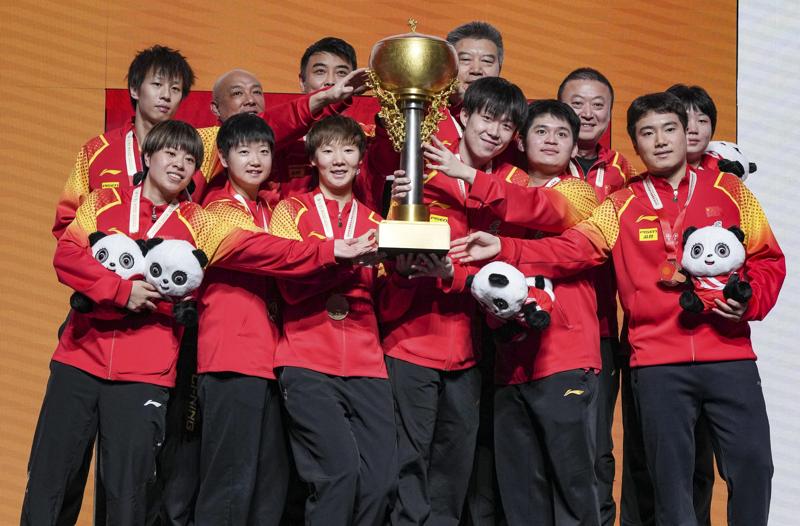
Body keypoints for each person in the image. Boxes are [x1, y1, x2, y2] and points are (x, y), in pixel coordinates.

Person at [450, 92, 785, 526]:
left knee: (754, 467)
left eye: (669, 129)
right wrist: (505, 247)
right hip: (657, 364)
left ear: (686, 134)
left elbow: (768, 259)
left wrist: (750, 300)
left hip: (730, 356)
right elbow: (572, 249)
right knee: (670, 485)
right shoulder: (620, 204)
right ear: (635, 145)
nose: (660, 140)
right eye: (647, 133)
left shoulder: (730, 190)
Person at [23, 120, 375, 525]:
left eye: (189, 159)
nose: (179, 164)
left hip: (145, 372)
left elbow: (266, 249)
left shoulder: (201, 223)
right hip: (78, 359)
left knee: (129, 495)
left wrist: (330, 251)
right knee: (51, 484)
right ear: (147, 156)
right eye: (170, 154)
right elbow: (67, 255)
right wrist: (121, 291)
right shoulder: (103, 201)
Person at [385, 76, 526, 526]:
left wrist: (454, 275)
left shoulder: (510, 187)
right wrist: (393, 206)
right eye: (487, 118)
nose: (494, 132)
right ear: (463, 116)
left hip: (468, 351)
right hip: (410, 343)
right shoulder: (418, 170)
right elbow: (392, 253)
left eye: (506, 125)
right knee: (406, 464)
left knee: (453, 468)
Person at [471, 99, 602, 526]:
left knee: (572, 488)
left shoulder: (582, 194)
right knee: (520, 495)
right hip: (509, 366)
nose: (551, 140)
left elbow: (576, 249)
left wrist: (470, 178)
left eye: (562, 134)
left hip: (564, 359)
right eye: (541, 131)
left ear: (575, 147)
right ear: (521, 141)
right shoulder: (499, 199)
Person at [268, 115, 395, 525]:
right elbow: (288, 289)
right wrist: (346, 262)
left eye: (348, 150)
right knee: (337, 475)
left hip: (367, 364)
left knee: (381, 482)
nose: (338, 159)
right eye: (327, 150)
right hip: (306, 361)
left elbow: (386, 304)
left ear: (361, 159)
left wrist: (405, 271)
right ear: (313, 160)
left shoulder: (377, 223)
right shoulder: (290, 211)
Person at [192, 113, 289, 525]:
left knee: (270, 484)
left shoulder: (273, 209)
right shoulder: (216, 210)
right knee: (230, 482)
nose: (255, 160)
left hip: (275, 359)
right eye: (244, 151)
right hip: (231, 356)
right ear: (223, 157)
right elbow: (272, 254)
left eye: (264, 151)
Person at [557, 67, 636, 526]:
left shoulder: (627, 173)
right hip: (540, 323)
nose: (587, 113)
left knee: (597, 443)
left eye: (597, 104)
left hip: (601, 327)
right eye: (576, 103)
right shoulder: (536, 159)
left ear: (610, 112)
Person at [53, 44, 196, 241]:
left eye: (175, 89)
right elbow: (67, 221)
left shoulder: (192, 155)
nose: (166, 95)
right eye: (157, 84)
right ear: (135, 90)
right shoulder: (96, 150)